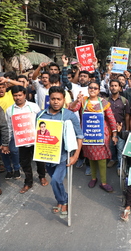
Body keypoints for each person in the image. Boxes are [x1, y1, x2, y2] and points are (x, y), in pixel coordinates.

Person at [37, 86, 83, 217]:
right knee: (56, 181)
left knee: (56, 181)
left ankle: (63, 201)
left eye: (59, 99)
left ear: (64, 100)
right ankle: (62, 199)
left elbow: (79, 136)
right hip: (47, 156)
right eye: (53, 99)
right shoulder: (40, 115)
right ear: (49, 100)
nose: (56, 102)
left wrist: (76, 156)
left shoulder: (69, 115)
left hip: (63, 156)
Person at [69, 81, 117, 192]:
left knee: (101, 158)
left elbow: (111, 119)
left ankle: (104, 182)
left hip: (101, 135)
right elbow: (72, 109)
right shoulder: (83, 100)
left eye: (95, 88)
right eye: (90, 87)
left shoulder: (104, 103)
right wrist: (77, 100)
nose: (92, 90)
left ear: (98, 90)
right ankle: (93, 178)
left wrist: (114, 134)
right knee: (91, 157)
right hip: (87, 134)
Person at [5, 86, 48, 193]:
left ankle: (42, 176)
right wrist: (6, 143)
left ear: (25, 95)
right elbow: (9, 128)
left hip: (35, 139)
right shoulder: (10, 110)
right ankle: (28, 182)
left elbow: (41, 122)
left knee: (40, 160)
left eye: (20, 95)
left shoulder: (33, 107)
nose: (17, 98)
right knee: (25, 162)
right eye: (15, 95)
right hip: (21, 141)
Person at [106, 79, 130, 176]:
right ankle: (113, 159)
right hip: (109, 129)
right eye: (112, 85)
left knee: (120, 148)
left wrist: (127, 129)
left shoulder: (124, 101)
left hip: (121, 129)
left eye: (116, 85)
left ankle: (120, 166)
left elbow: (127, 116)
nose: (113, 87)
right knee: (111, 146)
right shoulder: (105, 101)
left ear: (120, 88)